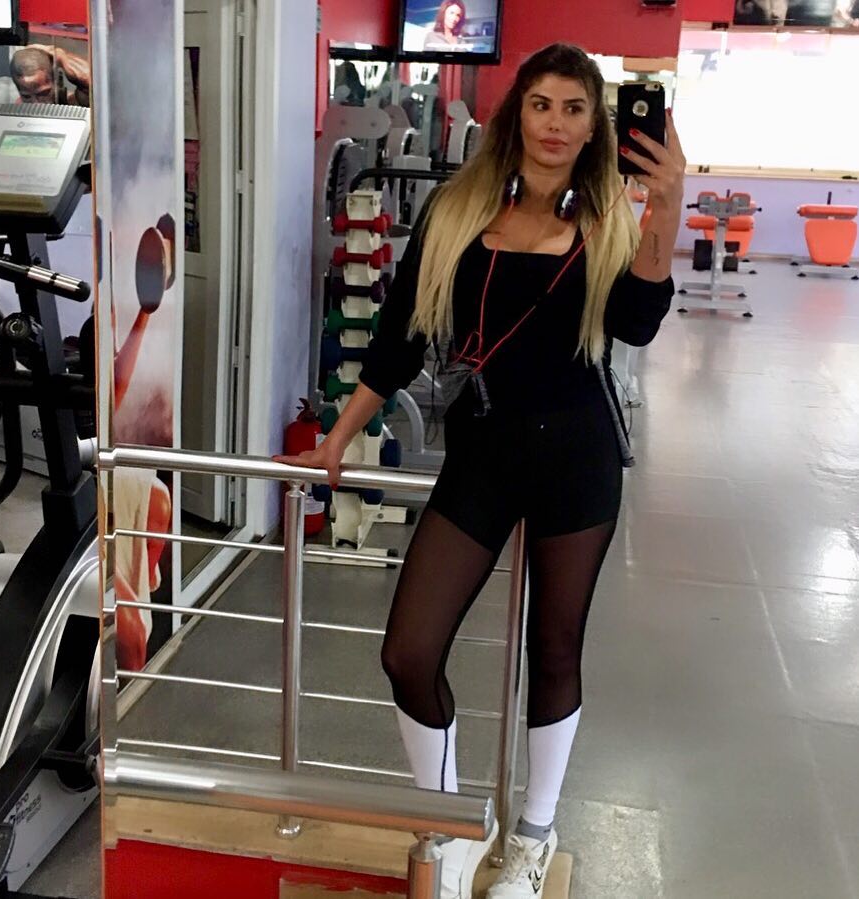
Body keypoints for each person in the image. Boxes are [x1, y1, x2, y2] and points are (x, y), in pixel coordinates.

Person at [276, 43, 684, 898]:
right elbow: (399, 336)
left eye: (574, 108)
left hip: (575, 455)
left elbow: (638, 322)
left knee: (555, 648)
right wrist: (340, 435)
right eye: (540, 104)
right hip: (484, 450)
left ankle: (533, 833)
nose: (555, 124)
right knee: (408, 651)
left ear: (594, 125)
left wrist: (669, 200)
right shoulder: (459, 208)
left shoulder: (611, 217)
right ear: (515, 114)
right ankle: (451, 818)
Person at [10, 45, 91, 106]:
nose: (36, 104)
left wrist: (60, 56)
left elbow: (90, 80)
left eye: (43, 93)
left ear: (58, 83)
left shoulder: (72, 102)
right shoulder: (19, 108)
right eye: (27, 97)